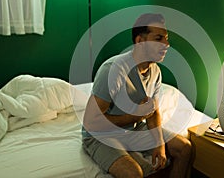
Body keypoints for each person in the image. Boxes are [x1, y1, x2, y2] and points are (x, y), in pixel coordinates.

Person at [82, 13, 192, 178]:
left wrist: (159, 145)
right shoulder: (113, 70)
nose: (167, 44)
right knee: (134, 173)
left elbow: (153, 112)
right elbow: (91, 122)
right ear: (140, 41)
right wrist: (133, 117)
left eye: (166, 38)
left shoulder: (155, 71)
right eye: (159, 38)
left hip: (133, 130)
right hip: (101, 135)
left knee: (184, 148)